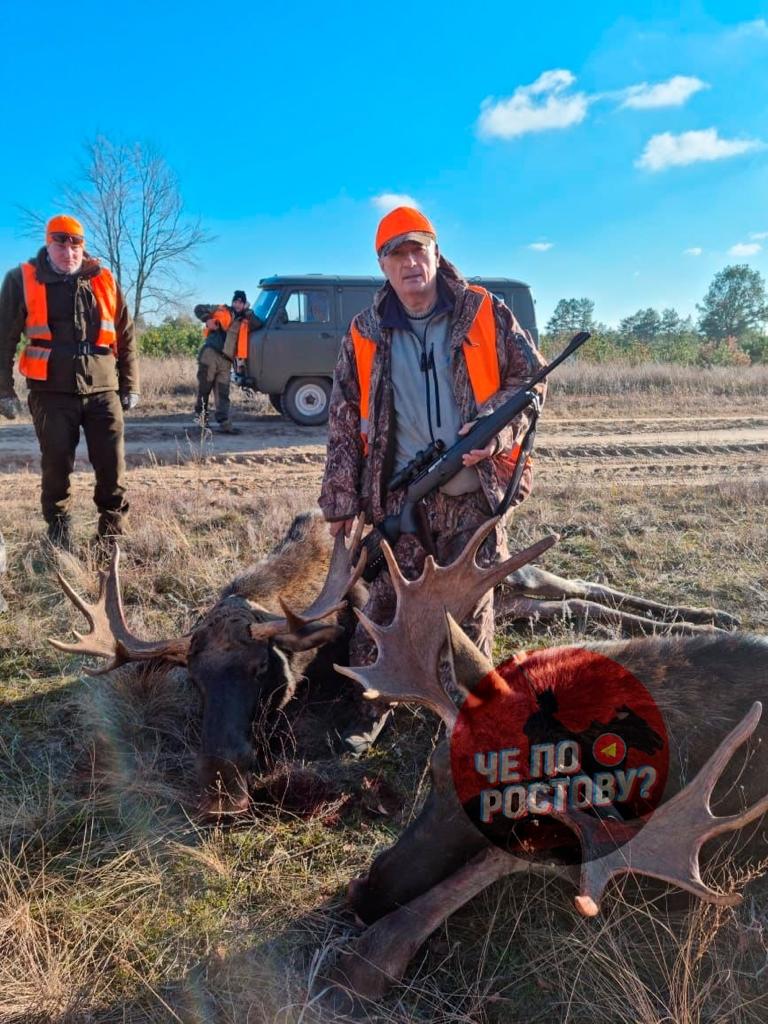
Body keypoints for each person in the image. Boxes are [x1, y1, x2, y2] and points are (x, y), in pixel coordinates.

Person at [319, 206, 547, 754]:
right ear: (382, 265)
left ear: (436, 252)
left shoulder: (484, 312)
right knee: (382, 607)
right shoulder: (364, 331)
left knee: (472, 607)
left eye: (417, 249)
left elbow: (532, 383)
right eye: (396, 254)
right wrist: (341, 495)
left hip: (475, 496)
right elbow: (345, 414)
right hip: (401, 498)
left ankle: (478, 715)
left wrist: (494, 431)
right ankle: (371, 709)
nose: (409, 262)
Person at [0, 214, 139, 550]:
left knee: (112, 469)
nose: (68, 249)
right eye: (60, 241)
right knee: (56, 467)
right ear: (48, 244)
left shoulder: (104, 279)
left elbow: (125, 334)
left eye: (75, 242)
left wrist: (130, 384)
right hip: (50, 392)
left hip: (103, 390)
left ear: (83, 246)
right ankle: (59, 536)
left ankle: (110, 539)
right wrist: (4, 391)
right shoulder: (22, 279)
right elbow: (4, 339)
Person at [193, 289, 255, 434]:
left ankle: (224, 423)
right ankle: (201, 421)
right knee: (204, 389)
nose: (238, 304)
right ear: (232, 302)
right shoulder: (220, 309)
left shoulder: (246, 319)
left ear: (245, 304)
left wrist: (248, 312)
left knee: (223, 393)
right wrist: (207, 319)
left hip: (226, 361)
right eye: (235, 301)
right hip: (210, 355)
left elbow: (259, 323)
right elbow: (198, 308)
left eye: (241, 302)